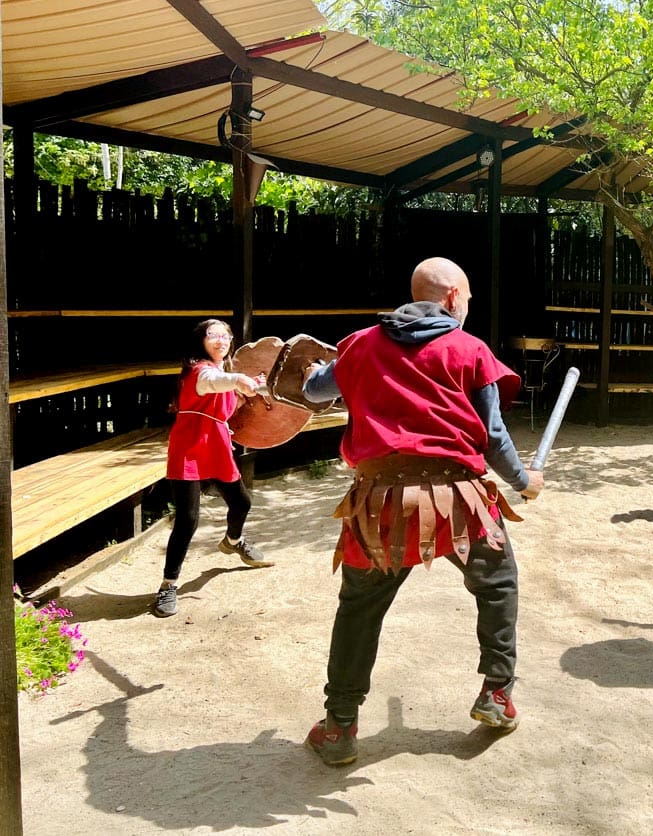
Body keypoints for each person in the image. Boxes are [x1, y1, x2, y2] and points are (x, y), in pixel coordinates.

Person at [301, 257, 544, 766]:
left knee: (359, 608)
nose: (469, 308)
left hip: (381, 501)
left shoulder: (361, 343)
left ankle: (340, 726)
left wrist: (310, 372)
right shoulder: (468, 348)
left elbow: (315, 392)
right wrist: (525, 481)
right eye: (470, 299)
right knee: (497, 585)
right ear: (454, 297)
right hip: (460, 497)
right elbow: (493, 436)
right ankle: (497, 694)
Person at [153, 319, 274, 619]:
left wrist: (250, 387)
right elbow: (212, 381)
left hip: (216, 444)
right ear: (201, 341)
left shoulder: (222, 372)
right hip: (189, 447)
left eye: (226, 335)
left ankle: (233, 542)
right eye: (214, 335)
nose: (222, 340)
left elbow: (227, 405)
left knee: (242, 502)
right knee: (188, 520)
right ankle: (168, 585)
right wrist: (238, 381)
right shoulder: (199, 370)